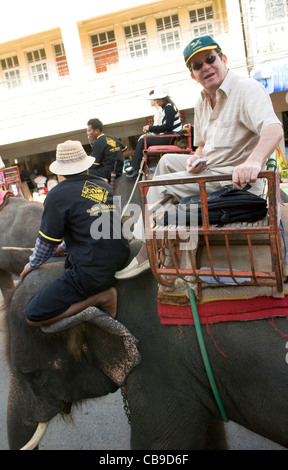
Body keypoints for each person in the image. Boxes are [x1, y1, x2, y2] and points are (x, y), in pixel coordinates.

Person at [116, 34, 284, 279]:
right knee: (165, 162)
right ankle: (161, 234)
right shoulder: (202, 100)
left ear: (223, 59)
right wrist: (196, 158)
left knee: (155, 185)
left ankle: (148, 248)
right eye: (197, 65)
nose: (206, 67)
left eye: (210, 59)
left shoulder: (247, 89)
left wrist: (254, 161)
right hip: (210, 168)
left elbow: (274, 128)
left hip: (233, 179)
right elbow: (202, 145)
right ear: (192, 75)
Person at [20, 140, 130, 326]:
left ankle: (100, 298)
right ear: (86, 166)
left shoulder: (56, 195)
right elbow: (99, 225)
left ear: (60, 172)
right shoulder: (104, 186)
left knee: (33, 315)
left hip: (93, 271)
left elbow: (46, 244)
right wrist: (64, 246)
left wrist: (31, 265)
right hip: (120, 256)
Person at [125, 86, 182, 178]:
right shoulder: (167, 108)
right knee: (144, 139)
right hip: (169, 136)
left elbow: (168, 126)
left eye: (158, 99)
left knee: (143, 141)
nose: (157, 101)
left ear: (163, 98)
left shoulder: (169, 108)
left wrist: (150, 128)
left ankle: (135, 168)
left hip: (170, 137)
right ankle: (139, 167)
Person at [87, 118, 127, 183]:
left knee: (87, 172)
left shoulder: (97, 142)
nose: (88, 134)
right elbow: (124, 150)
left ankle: (103, 180)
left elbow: (95, 164)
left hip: (108, 172)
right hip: (119, 170)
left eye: (89, 131)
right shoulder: (112, 137)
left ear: (97, 130)